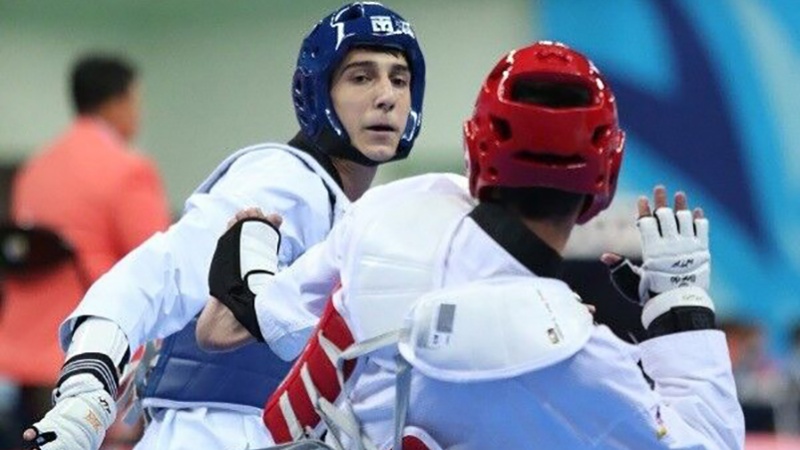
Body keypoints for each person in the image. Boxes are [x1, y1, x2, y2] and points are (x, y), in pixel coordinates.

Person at [199, 41, 745, 449]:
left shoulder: (396, 208)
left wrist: (251, 242)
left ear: (476, 148)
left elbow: (228, 328)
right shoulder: (576, 360)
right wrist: (681, 308)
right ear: (604, 177)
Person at [22, 3, 426, 450]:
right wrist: (84, 395)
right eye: (361, 77)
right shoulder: (283, 182)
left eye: (399, 79)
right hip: (217, 432)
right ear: (318, 93)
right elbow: (159, 274)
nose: (386, 96)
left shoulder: (344, 204)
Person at [0, 53, 170, 443]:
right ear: (118, 102)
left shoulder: (33, 170)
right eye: (136, 101)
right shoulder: (128, 169)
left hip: (20, 353)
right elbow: (160, 266)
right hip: (90, 354)